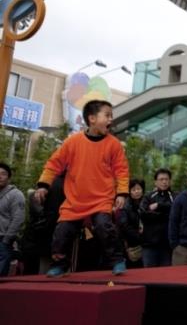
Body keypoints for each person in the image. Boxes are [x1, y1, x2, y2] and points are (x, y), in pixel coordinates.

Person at [34, 100, 129, 277]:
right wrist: (43, 185)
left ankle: (117, 260)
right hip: (74, 201)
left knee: (104, 227)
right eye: (107, 115)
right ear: (92, 118)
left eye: (111, 116)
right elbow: (54, 164)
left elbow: (122, 171)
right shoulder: (73, 142)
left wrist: (122, 193)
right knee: (61, 233)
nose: (111, 119)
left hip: (101, 199)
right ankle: (60, 264)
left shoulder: (114, 144)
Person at [140, 168, 174, 267]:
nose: (164, 182)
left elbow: (175, 211)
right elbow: (143, 214)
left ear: (170, 181)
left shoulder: (175, 196)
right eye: (161, 179)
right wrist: (165, 214)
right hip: (149, 243)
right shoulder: (148, 196)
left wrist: (159, 206)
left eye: (166, 179)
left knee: (167, 273)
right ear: (155, 182)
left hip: (167, 244)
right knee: (149, 273)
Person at [0, 162, 25, 276]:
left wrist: (7, 240)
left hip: (3, 239)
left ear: (9, 178)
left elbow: (18, 219)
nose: (0, 176)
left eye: (3, 174)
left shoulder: (15, 195)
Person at [117, 178, 145, 268]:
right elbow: (124, 226)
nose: (137, 192)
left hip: (145, 243)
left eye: (139, 189)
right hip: (131, 244)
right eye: (133, 189)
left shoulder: (146, 203)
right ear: (129, 191)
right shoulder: (125, 206)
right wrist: (139, 237)